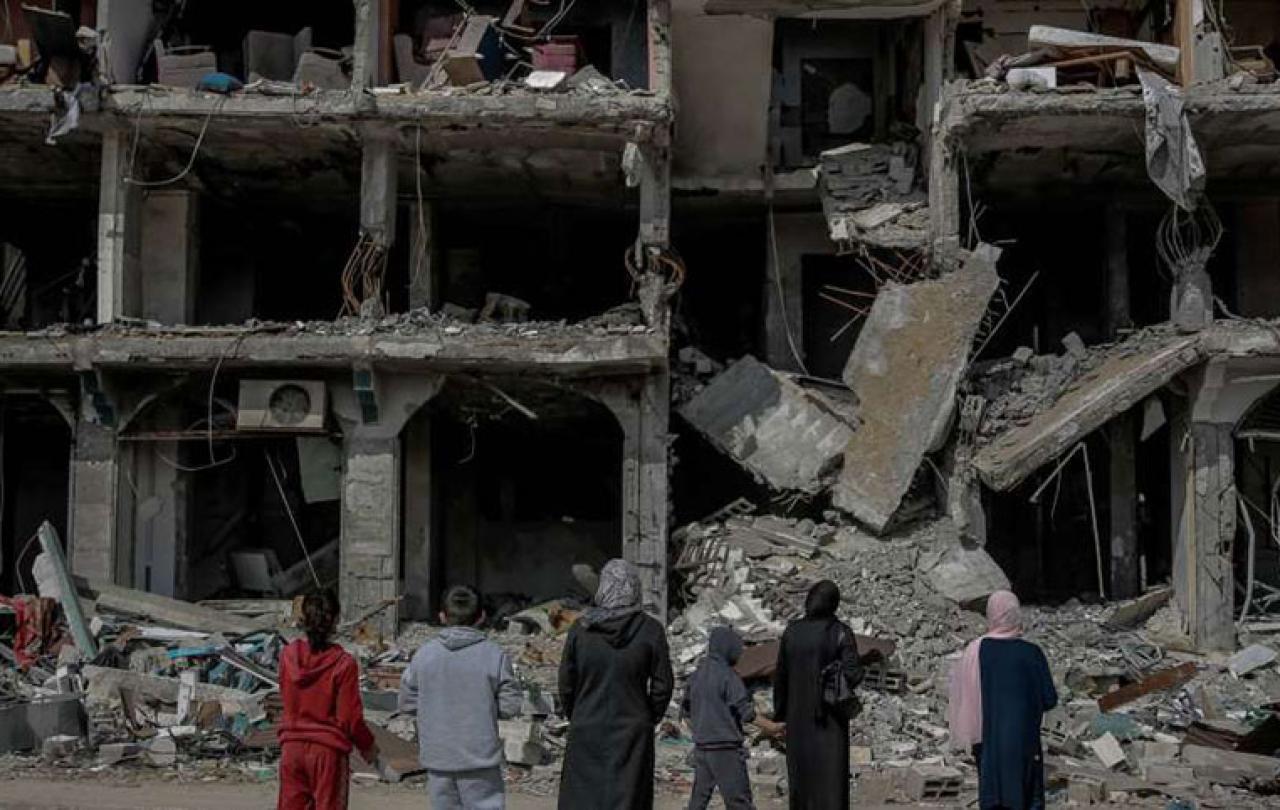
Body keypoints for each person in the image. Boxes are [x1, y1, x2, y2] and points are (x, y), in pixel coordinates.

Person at [558, 559, 674, 810]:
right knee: (629, 797)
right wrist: (645, 716)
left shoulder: (581, 629)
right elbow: (663, 686)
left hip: (587, 726)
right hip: (633, 731)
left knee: (584, 798)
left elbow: (566, 683)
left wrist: (578, 713)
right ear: (634, 588)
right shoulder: (651, 629)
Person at [399, 585, 522, 810]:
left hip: (438, 758)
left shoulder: (424, 655)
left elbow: (406, 703)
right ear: (482, 616)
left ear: (442, 616)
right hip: (480, 758)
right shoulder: (495, 655)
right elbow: (511, 706)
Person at [948, 590, 1057, 810]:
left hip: (987, 745)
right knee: (1027, 798)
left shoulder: (976, 650)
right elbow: (1049, 699)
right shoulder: (1032, 653)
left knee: (993, 798)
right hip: (1024, 745)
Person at [278, 589, 379, 810]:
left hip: (291, 749)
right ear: (335, 620)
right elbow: (350, 717)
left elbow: (285, 695)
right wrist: (367, 746)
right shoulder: (343, 664)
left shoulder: (288, 656)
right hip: (327, 752)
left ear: (303, 618)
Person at [773, 580, 863, 810]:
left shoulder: (792, 632)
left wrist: (780, 715)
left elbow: (780, 678)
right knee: (831, 786)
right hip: (830, 723)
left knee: (802, 785)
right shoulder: (840, 632)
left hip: (798, 723)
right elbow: (854, 674)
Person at [683, 626, 784, 810]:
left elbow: (686, 712)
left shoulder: (696, 676)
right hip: (726, 750)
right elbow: (746, 712)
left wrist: (702, 732)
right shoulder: (728, 677)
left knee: (698, 802)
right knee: (739, 802)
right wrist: (772, 727)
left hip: (702, 748)